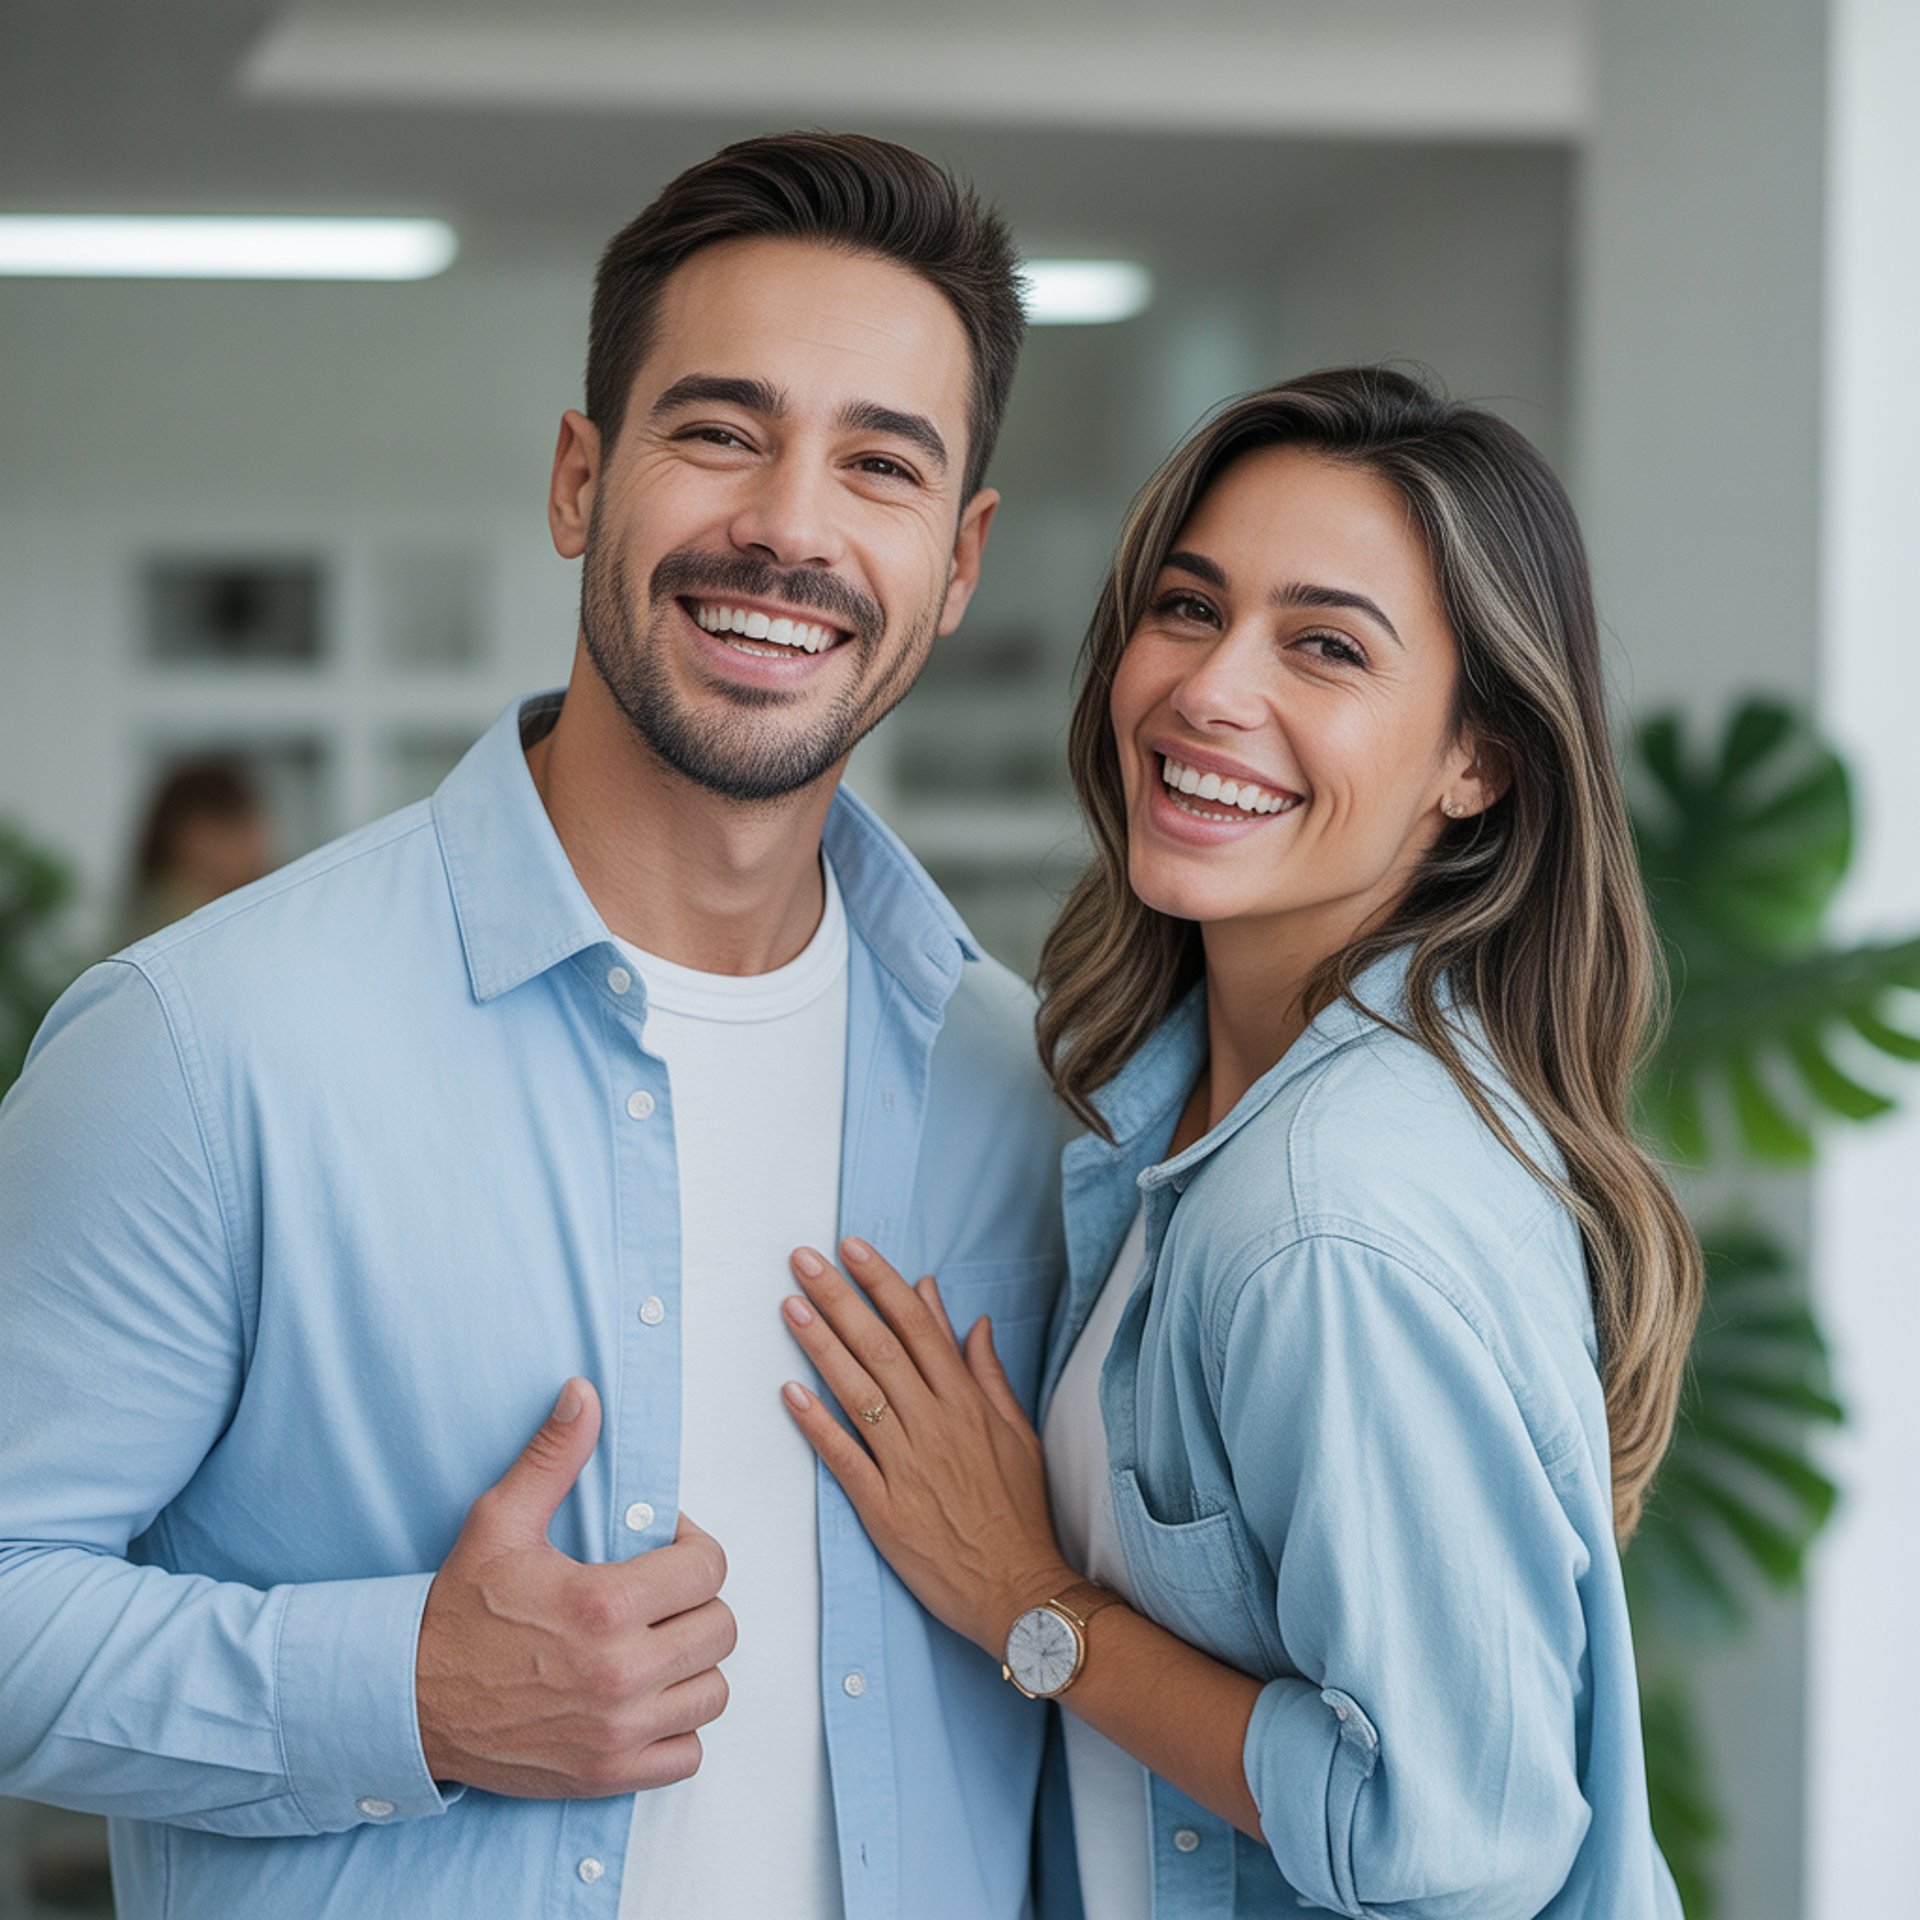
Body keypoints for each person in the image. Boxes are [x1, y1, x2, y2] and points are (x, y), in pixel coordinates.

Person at [0, 132, 1065, 1920]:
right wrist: (401, 1689)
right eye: (719, 430)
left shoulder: (1029, 1103)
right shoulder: (204, 1046)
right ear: (581, 477)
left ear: (956, 565)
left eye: (877, 465)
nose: (790, 526)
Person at [778, 366, 1701, 1917]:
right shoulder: (1183, 1105)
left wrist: (1031, 1602)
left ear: (1478, 762)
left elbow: (1456, 1850)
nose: (1211, 690)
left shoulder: (1326, 1214)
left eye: (1326, 646)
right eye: (1191, 609)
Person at [118, 754, 277, 943]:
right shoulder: (185, 929)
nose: (260, 846)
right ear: (197, 836)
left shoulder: (149, 913)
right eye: (244, 829)